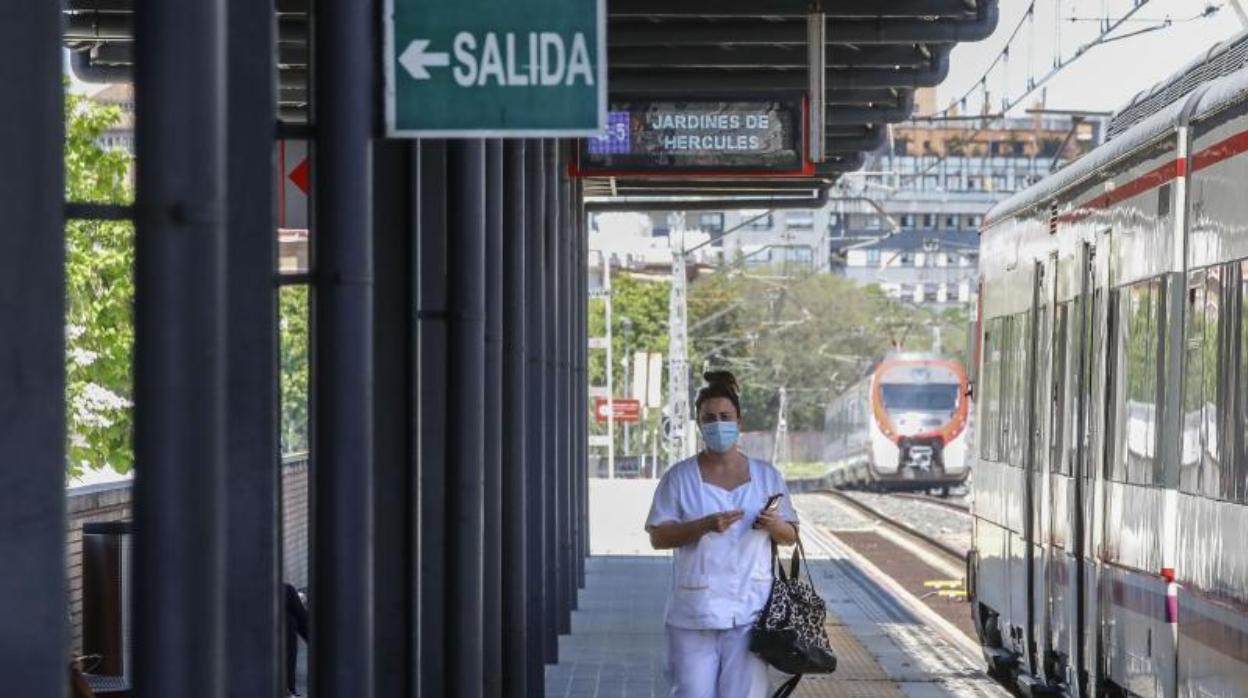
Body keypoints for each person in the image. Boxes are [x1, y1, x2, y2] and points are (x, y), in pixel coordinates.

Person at [645, 370, 800, 698]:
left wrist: (774, 525)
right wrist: (703, 526)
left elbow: (791, 536)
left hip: (752, 612)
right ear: (699, 425)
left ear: (739, 421)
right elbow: (658, 536)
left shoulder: (767, 476)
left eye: (725, 417)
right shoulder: (679, 477)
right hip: (694, 613)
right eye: (709, 418)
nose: (718, 424)